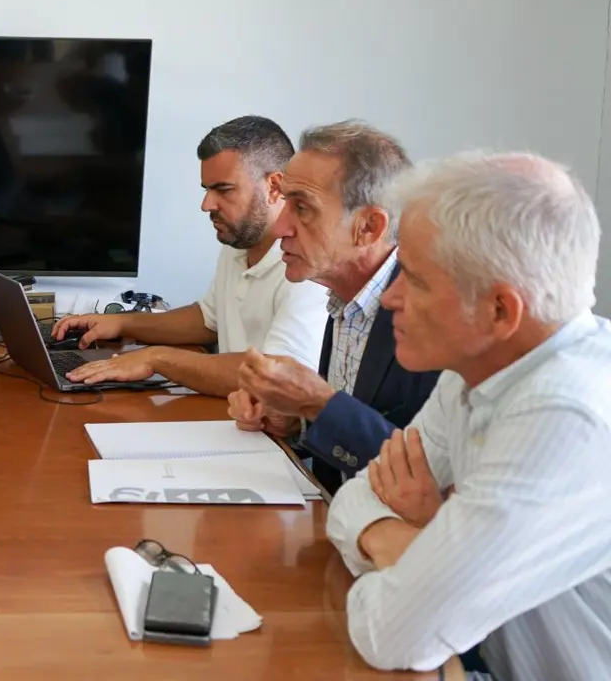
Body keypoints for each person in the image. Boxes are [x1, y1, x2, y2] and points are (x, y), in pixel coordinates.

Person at [325, 152, 611, 677]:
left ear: (500, 310)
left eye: (413, 277)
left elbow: (394, 634)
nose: (390, 298)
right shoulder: (474, 369)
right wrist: (417, 545)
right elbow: (355, 497)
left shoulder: (571, 417)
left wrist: (421, 551)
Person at [227, 121, 439, 494]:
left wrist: (318, 405)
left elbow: (429, 474)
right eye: (285, 203)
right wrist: (296, 420)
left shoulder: (430, 314)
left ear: (369, 227)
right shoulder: (342, 295)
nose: (280, 228)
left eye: (302, 208)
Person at [51, 115, 328, 397]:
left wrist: (156, 358)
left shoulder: (308, 269)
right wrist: (122, 322)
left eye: (223, 189)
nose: (207, 204)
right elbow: (208, 320)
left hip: (271, 434)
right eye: (207, 189)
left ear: (273, 186)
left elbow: (279, 376)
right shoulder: (238, 242)